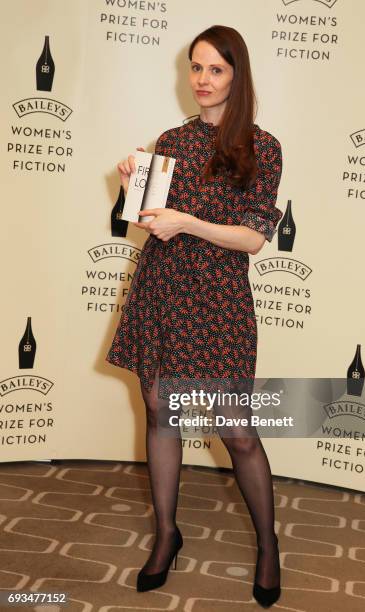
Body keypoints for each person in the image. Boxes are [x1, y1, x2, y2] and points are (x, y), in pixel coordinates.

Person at [106, 24, 283, 608]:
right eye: (196, 67)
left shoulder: (262, 147)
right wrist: (131, 189)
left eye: (216, 70)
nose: (202, 80)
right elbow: (146, 220)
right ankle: (166, 536)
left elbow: (255, 238)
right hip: (163, 289)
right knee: (160, 409)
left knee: (237, 431)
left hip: (219, 301)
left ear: (238, 76)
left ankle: (267, 547)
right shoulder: (171, 139)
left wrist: (190, 222)